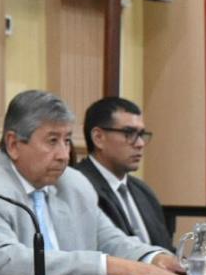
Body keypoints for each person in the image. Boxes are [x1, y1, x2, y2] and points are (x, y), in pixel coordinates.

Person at [0, 90, 185, 275]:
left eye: (67, 140)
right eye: (52, 141)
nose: (64, 155)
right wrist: (106, 266)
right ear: (14, 144)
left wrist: (153, 257)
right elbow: (2, 263)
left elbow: (110, 240)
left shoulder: (73, 183)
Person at [73, 96, 173, 251]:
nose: (140, 144)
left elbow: (166, 249)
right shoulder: (78, 187)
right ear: (98, 138)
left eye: (141, 134)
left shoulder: (143, 191)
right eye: (129, 133)